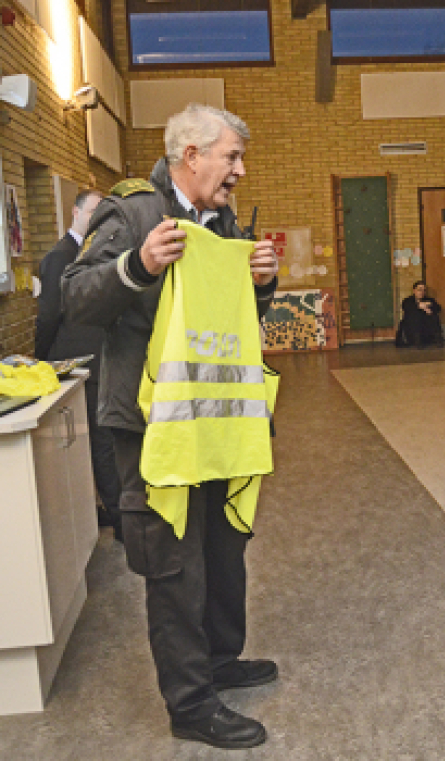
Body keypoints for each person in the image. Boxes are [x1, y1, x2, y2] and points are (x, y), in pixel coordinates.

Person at [61, 104, 280, 748]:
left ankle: (217, 660)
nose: (239, 170)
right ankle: (190, 704)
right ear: (191, 156)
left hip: (213, 421)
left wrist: (261, 285)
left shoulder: (223, 218)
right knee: (174, 563)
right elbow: (74, 296)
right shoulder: (132, 212)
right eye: (231, 157)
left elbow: (228, 313)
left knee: (222, 550)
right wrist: (139, 265)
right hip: (151, 425)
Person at [34, 189, 122, 540]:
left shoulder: (94, 253)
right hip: (73, 361)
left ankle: (108, 512)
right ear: (75, 212)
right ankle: (118, 520)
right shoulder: (60, 256)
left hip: (98, 359)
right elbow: (48, 316)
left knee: (103, 442)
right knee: (98, 444)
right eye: (93, 213)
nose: (98, 221)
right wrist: (41, 362)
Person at [396, 280, 443, 348]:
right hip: (412, 330)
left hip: (425, 329)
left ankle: (437, 339)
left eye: (424, 290)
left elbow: (438, 308)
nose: (422, 292)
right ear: (414, 291)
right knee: (415, 315)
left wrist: (428, 305)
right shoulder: (408, 301)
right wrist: (419, 306)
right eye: (419, 290)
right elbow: (407, 309)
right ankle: (417, 340)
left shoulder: (429, 300)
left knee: (432, 315)